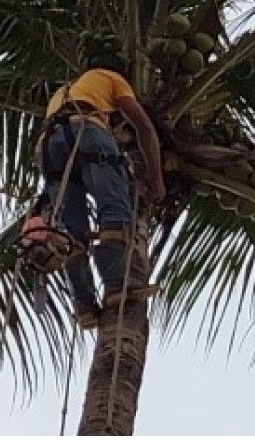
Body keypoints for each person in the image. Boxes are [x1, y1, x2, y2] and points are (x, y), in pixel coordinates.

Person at [36, 42, 166, 329]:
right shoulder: (111, 77)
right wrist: (156, 179)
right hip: (87, 130)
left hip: (48, 146)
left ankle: (84, 306)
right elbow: (144, 128)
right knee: (113, 211)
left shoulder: (65, 90)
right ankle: (117, 287)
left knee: (72, 232)